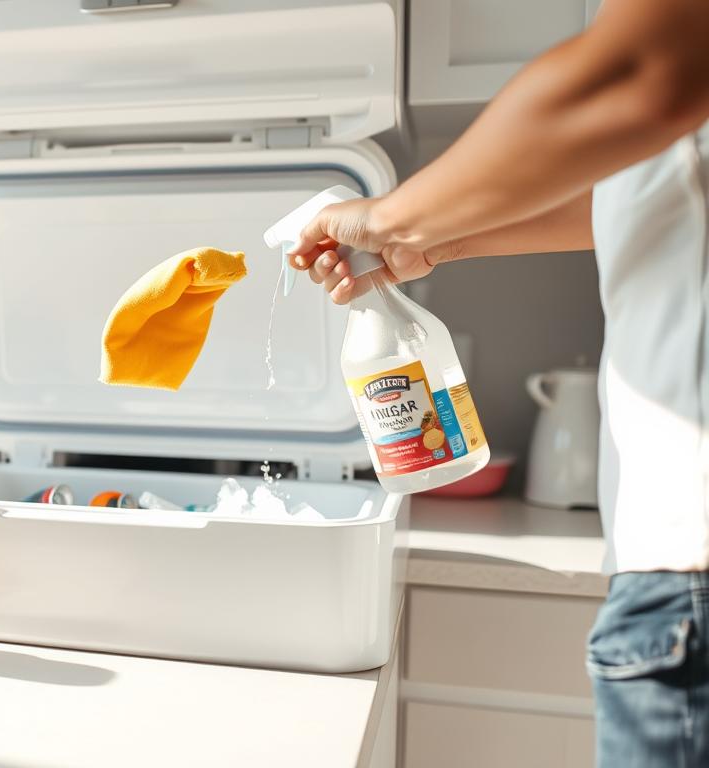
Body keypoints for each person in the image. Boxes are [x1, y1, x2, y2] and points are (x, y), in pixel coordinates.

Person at [286, 0, 709, 763]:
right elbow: (626, 188)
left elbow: (634, 80)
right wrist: (433, 239)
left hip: (691, 576)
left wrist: (392, 217)